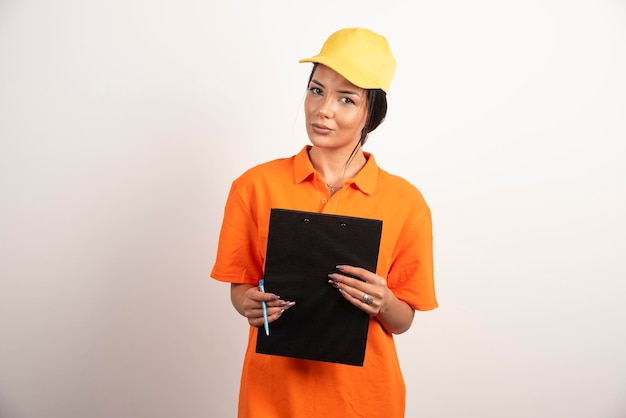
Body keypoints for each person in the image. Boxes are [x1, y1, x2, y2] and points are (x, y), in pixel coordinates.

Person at [211, 27, 438, 418]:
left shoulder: (406, 202)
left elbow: (403, 321)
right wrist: (248, 304)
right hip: (272, 396)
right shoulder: (254, 186)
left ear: (372, 115)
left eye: (346, 98)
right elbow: (241, 289)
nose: (324, 109)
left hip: (364, 400)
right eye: (316, 90)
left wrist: (383, 302)